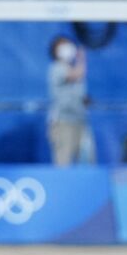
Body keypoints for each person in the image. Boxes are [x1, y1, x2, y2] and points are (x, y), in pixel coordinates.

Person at [47, 35, 94, 166]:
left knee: (87, 160)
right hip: (63, 122)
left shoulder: (73, 68)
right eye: (63, 46)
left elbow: (79, 92)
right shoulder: (56, 68)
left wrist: (84, 100)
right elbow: (77, 74)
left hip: (80, 120)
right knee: (64, 162)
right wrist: (82, 58)